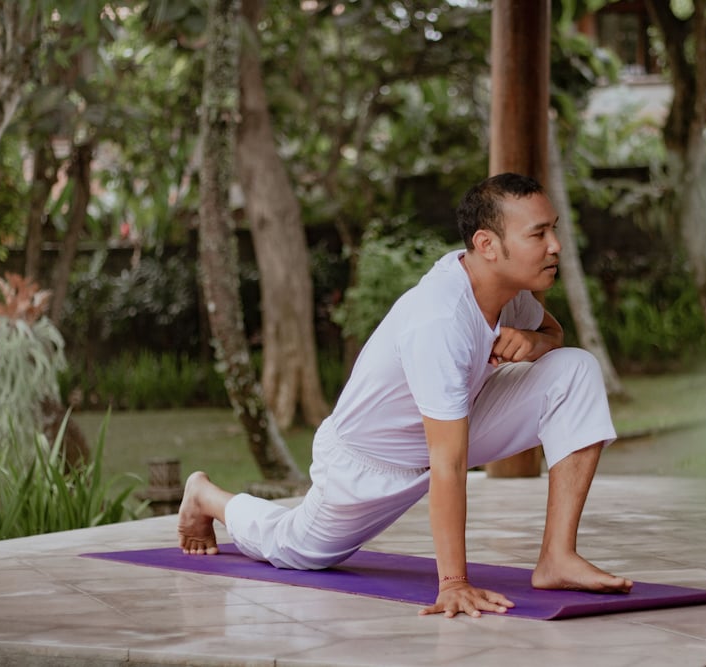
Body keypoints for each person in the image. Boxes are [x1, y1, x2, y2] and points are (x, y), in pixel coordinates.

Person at [178, 172, 633, 618]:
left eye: (553, 229)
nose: (555, 245)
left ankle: (557, 557)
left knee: (576, 370)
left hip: (457, 422)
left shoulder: (504, 288)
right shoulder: (441, 319)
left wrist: (534, 343)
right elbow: (448, 463)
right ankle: (207, 497)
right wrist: (453, 583)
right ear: (487, 245)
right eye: (539, 234)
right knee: (297, 549)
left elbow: (552, 333)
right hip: (370, 461)